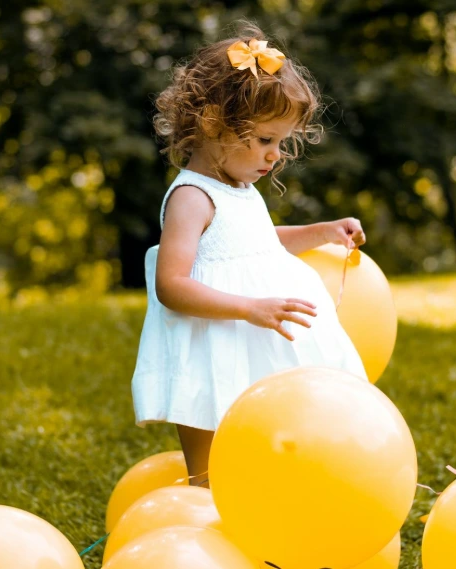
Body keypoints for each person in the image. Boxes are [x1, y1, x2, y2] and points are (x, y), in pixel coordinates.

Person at [131, 20, 368, 487]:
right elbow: (172, 285)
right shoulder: (192, 197)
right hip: (212, 346)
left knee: (268, 454)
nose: (276, 155)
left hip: (254, 342)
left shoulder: (237, 188)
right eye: (264, 140)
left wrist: (321, 231)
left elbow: (256, 246)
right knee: (211, 470)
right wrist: (248, 308)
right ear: (213, 124)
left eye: (280, 143)